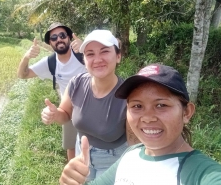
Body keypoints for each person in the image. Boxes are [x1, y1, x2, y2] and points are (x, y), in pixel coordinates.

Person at [59, 64, 221, 185]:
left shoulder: (203, 174)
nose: (147, 118)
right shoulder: (131, 154)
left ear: (186, 112)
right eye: (137, 106)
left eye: (161, 105)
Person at [41, 30, 139, 181]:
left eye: (104, 51)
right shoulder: (76, 83)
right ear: (84, 60)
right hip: (82, 153)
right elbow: (65, 114)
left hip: (112, 162)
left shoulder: (129, 95)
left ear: (118, 56)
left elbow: (134, 145)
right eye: (90, 54)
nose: (97, 59)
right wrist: (54, 114)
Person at [17, 22, 86, 161]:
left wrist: (86, 47)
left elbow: (105, 61)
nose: (59, 39)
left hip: (92, 107)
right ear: (50, 42)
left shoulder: (82, 55)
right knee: (71, 145)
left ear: (69, 38)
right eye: (54, 38)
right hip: (68, 110)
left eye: (62, 35)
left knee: (95, 146)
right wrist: (26, 57)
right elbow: (22, 75)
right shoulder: (50, 63)